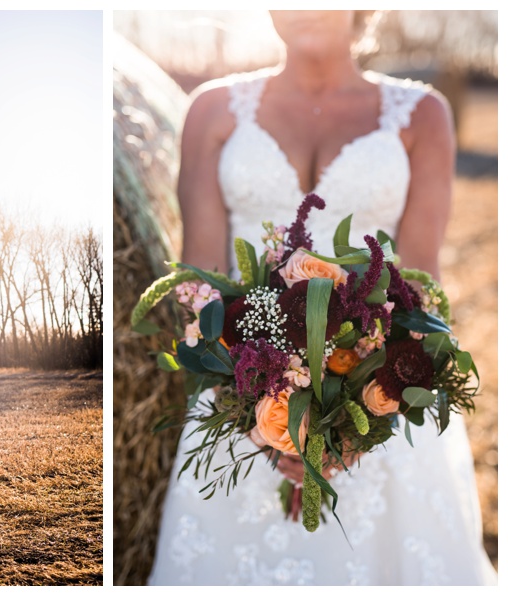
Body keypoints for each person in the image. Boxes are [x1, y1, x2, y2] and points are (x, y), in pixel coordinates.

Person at [147, 11, 496, 585]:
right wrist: (263, 419)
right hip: (238, 398)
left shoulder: (423, 114)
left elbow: (422, 283)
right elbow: (202, 285)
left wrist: (354, 424)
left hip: (382, 400)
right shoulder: (212, 111)